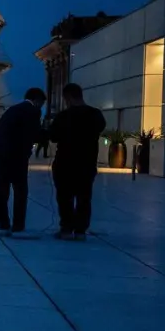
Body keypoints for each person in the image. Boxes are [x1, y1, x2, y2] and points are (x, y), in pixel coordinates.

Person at [48, 83, 106, 240]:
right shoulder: (95, 115)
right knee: (84, 198)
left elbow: (53, 136)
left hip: (65, 163)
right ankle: (80, 230)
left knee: (65, 198)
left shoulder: (63, 117)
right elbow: (100, 129)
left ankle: (66, 229)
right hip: (87, 163)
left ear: (67, 97)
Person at [0, 88, 47, 234]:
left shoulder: (12, 110)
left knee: (2, 189)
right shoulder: (33, 111)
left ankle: (3, 224)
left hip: (0, 154)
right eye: (41, 103)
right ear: (37, 100)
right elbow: (35, 134)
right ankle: (18, 225)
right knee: (20, 190)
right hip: (16, 156)